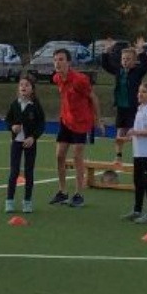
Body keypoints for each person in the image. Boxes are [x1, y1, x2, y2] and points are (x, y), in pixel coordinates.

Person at [50, 46, 103, 207]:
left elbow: (93, 98)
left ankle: (79, 194)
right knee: (59, 156)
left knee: (76, 157)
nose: (58, 63)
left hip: (81, 123)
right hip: (65, 121)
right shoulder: (57, 79)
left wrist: (97, 120)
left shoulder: (80, 80)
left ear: (68, 62)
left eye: (61, 60)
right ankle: (63, 192)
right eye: (55, 60)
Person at [118, 80, 147, 223]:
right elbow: (139, 133)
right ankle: (137, 210)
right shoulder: (140, 109)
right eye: (139, 91)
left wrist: (136, 132)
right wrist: (127, 138)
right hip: (138, 153)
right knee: (138, 182)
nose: (140, 94)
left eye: (144, 92)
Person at [4, 73, 46, 213]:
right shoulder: (15, 104)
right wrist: (12, 127)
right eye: (21, 85)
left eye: (27, 85)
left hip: (30, 144)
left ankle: (27, 201)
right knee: (14, 172)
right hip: (16, 143)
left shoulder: (35, 105)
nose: (23, 87)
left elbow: (41, 124)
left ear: (32, 89)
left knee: (29, 172)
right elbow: (8, 120)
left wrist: (33, 137)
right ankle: (9, 201)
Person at [111, 45, 147, 159]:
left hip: (133, 107)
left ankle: (139, 155)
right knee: (120, 132)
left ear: (134, 61)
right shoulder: (119, 71)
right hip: (121, 107)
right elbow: (106, 65)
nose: (125, 61)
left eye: (128, 59)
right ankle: (118, 156)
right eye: (123, 59)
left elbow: (145, 66)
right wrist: (106, 52)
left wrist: (141, 53)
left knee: (132, 132)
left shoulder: (137, 72)